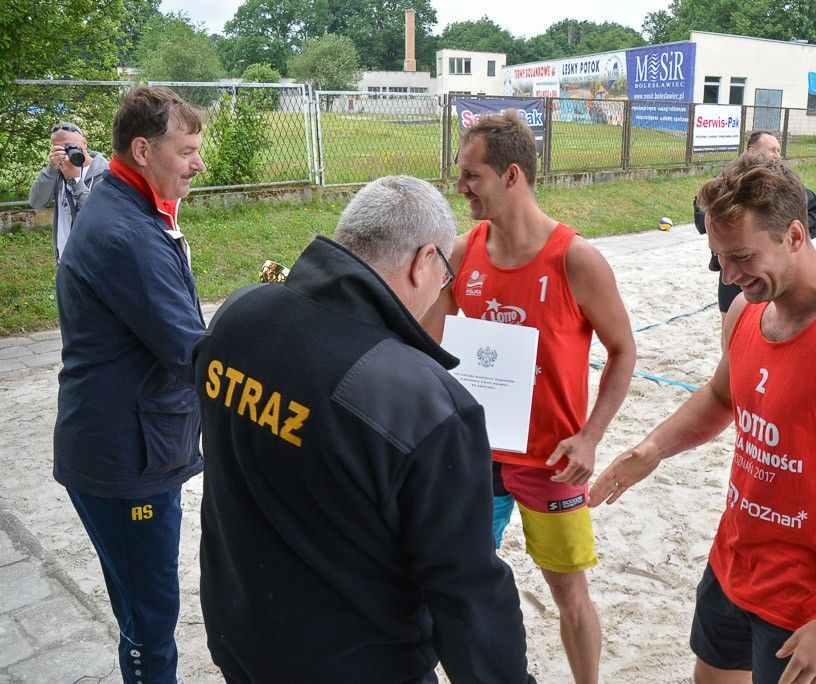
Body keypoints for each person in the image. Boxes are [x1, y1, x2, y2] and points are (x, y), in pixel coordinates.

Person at [591, 155, 816, 684]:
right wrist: (653, 448)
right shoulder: (746, 310)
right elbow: (722, 397)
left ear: (795, 235)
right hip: (733, 562)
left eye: (742, 256)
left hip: (808, 599)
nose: (729, 276)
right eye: (719, 259)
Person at [195, 176, 534, 683]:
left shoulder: (240, 313)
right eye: (445, 277)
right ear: (424, 262)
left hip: (241, 634)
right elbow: (467, 591)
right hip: (358, 661)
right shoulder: (422, 401)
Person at [422, 112, 636, 684]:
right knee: (454, 581)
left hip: (553, 460)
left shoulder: (575, 259)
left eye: (471, 176)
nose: (459, 186)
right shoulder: (465, 250)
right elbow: (433, 342)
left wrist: (591, 437)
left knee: (570, 596)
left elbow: (623, 351)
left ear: (511, 175)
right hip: (477, 455)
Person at [53, 86, 207, 684]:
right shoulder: (128, 234)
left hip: (123, 444)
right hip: (126, 462)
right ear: (143, 150)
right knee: (151, 622)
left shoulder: (125, 204)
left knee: (140, 612)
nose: (198, 163)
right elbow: (193, 354)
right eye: (187, 150)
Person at [695, 131, 816, 316]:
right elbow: (701, 217)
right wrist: (728, 234)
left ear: (794, 236)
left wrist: (782, 233)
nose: (777, 156)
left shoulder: (783, 188)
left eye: (742, 255)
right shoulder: (724, 184)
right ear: (752, 151)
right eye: (773, 150)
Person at [27, 121, 109, 261]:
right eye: (59, 148)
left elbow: (99, 216)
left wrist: (75, 180)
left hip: (94, 263)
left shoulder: (105, 172)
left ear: (84, 142)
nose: (66, 151)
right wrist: (51, 169)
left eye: (70, 145)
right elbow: (36, 202)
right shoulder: (57, 172)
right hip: (65, 259)